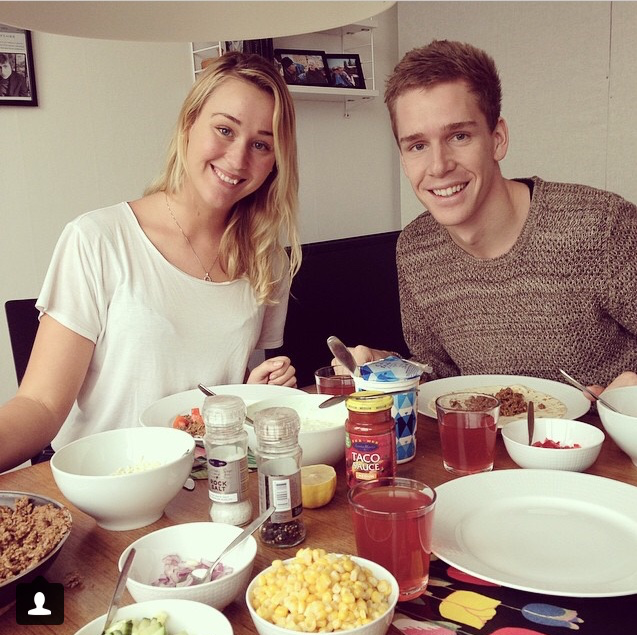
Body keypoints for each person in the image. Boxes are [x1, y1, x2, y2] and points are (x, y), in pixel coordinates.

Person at [0, 51, 301, 472]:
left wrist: (250, 392)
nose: (238, 159)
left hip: (210, 481)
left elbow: (224, 385)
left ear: (275, 162)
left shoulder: (267, 258)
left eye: (261, 144)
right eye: (224, 130)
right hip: (103, 483)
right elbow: (41, 404)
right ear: (188, 125)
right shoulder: (98, 239)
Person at [341, 39, 637, 392]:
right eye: (417, 146)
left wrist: (631, 393)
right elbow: (440, 376)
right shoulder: (416, 249)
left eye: (459, 136)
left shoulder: (602, 226)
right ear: (404, 159)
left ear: (498, 139)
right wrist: (383, 365)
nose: (439, 166)